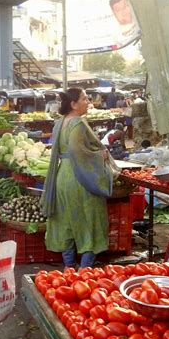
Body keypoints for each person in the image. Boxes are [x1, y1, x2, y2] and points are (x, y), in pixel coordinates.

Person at [40, 88, 114, 269]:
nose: (88, 101)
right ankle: (84, 269)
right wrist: (100, 157)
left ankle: (69, 266)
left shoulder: (60, 123)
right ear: (73, 104)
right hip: (78, 176)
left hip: (62, 175)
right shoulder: (78, 124)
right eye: (84, 98)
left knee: (66, 221)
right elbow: (77, 152)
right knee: (90, 219)